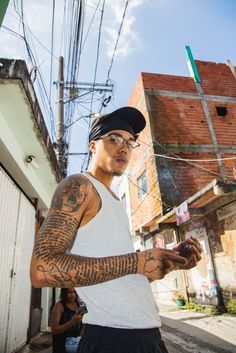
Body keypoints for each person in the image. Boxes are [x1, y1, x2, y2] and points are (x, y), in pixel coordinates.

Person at [30, 106, 202, 353]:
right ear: (92, 146)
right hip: (112, 340)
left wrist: (166, 262)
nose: (124, 148)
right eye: (114, 139)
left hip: (148, 336)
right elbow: (41, 269)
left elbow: (117, 277)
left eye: (130, 143)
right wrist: (136, 262)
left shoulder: (116, 202)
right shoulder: (79, 186)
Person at [51, 288, 86, 353]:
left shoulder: (80, 304)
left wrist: (80, 336)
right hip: (61, 344)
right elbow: (54, 330)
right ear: (64, 293)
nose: (72, 295)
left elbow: (84, 323)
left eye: (74, 292)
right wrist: (72, 321)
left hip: (76, 344)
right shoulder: (59, 306)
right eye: (69, 293)